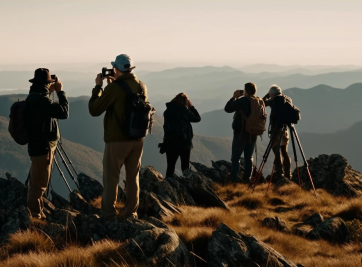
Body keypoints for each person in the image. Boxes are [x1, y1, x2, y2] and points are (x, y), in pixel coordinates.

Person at [88, 54, 147, 221]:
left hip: (117, 140)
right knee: (132, 177)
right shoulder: (141, 86)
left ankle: (108, 214)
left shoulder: (115, 89)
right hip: (137, 139)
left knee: (111, 178)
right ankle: (131, 213)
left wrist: (98, 88)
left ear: (116, 69)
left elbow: (94, 109)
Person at [26, 68, 69, 219]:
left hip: (36, 146)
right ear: (46, 84)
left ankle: (37, 212)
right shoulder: (41, 100)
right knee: (39, 184)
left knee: (37, 181)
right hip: (42, 148)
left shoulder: (34, 97)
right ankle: (34, 217)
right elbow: (64, 112)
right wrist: (60, 92)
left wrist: (49, 92)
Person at [163, 93, 201, 177]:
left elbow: (166, 128)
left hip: (170, 143)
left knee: (170, 167)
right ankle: (186, 186)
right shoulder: (185, 111)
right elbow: (198, 118)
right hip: (184, 143)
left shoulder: (167, 111)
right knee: (185, 167)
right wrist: (191, 107)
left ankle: (168, 185)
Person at [262, 85, 292, 179]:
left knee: (276, 150)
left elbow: (263, 102)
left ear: (272, 94)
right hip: (285, 129)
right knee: (284, 151)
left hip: (276, 130)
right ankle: (288, 172)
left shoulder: (273, 100)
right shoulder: (287, 99)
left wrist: (268, 95)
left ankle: (279, 171)